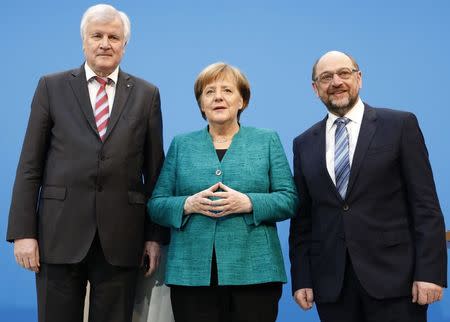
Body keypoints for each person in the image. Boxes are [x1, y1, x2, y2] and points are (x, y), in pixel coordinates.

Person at [6, 4, 168, 322]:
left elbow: (155, 172)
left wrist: (154, 236)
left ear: (124, 45)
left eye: (113, 37)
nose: (105, 43)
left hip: (123, 238)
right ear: (84, 41)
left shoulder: (147, 94)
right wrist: (23, 232)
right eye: (97, 35)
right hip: (58, 234)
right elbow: (29, 164)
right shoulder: (50, 87)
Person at [289, 50, 447, 322]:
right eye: (326, 77)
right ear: (316, 89)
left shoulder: (400, 125)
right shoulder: (303, 143)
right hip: (333, 286)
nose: (336, 82)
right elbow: (303, 219)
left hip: (396, 281)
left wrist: (429, 273)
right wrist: (302, 278)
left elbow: (425, 206)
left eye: (344, 73)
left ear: (359, 79)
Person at [148, 62, 298, 322]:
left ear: (242, 101)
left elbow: (289, 199)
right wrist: (188, 204)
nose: (218, 97)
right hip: (191, 274)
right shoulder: (182, 145)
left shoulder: (267, 140)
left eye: (227, 90)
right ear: (201, 104)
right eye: (209, 92)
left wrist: (248, 202)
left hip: (255, 273)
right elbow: (156, 204)